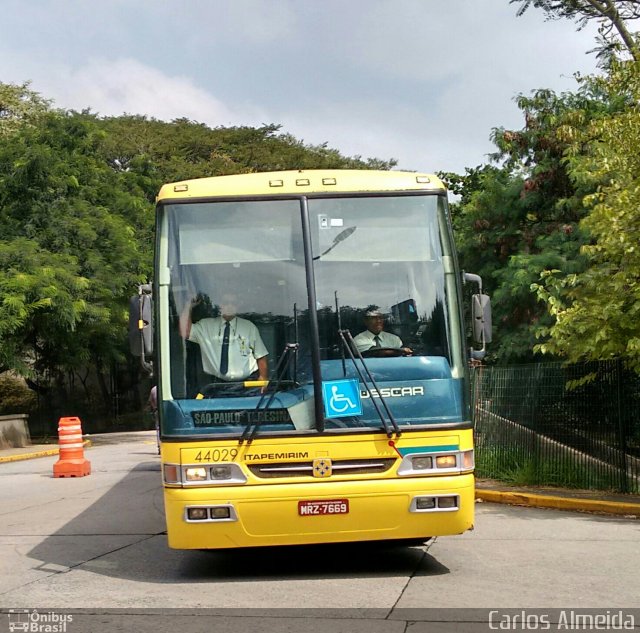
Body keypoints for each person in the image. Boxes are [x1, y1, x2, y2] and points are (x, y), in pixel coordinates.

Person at [179, 292, 269, 388]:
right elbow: (185, 332)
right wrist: (188, 305)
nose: (229, 306)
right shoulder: (206, 326)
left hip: (246, 384)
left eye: (233, 303)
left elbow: (260, 355)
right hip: (216, 385)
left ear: (238, 306)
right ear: (220, 305)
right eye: (226, 303)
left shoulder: (249, 327)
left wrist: (263, 379)